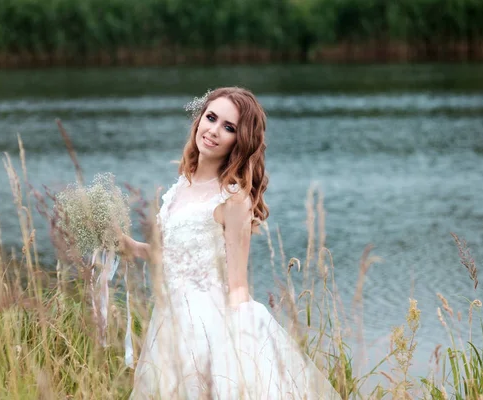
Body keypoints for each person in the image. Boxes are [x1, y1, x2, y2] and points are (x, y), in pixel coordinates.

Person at [121, 87, 340, 399]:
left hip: (210, 323)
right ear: (199, 121)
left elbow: (238, 282)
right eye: (211, 118)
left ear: (240, 140)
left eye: (229, 127)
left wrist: (238, 345)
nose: (213, 131)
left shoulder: (233, 199)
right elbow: (170, 256)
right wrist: (129, 245)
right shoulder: (182, 184)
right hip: (169, 319)